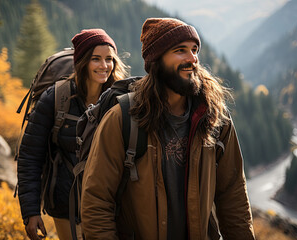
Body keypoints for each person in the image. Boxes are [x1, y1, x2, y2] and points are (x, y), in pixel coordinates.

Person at [81, 18, 255, 239]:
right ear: (156, 59)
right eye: (180, 50)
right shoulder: (123, 119)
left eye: (194, 50)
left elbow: (233, 197)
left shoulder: (214, 119)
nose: (192, 58)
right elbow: (96, 202)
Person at [17, 29, 128, 240]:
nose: (104, 66)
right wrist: (30, 211)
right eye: (96, 59)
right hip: (65, 206)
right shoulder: (56, 98)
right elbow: (30, 156)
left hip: (110, 207)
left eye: (109, 59)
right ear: (82, 61)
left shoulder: (120, 100)